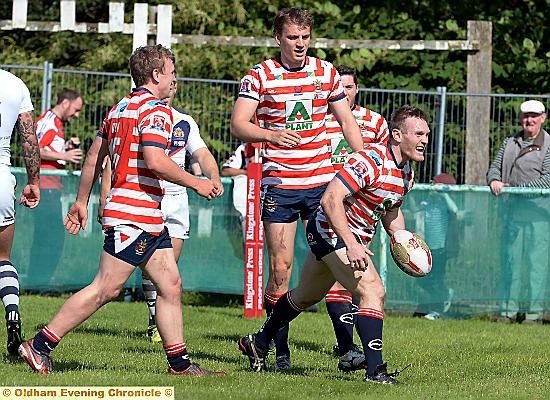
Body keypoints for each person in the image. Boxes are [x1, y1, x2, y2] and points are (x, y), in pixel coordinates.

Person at [17, 44, 225, 377]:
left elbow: (93, 157)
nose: (174, 79)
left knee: (170, 285)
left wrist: (81, 201)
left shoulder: (120, 108)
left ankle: (180, 365)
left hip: (144, 216)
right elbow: (156, 161)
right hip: (135, 215)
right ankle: (39, 345)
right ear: (156, 74)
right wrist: (196, 183)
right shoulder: (157, 111)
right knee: (105, 288)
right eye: (171, 72)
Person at [238, 105, 429, 384]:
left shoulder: (406, 174)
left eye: (427, 134)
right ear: (398, 135)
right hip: (330, 232)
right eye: (419, 133)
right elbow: (330, 199)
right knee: (373, 291)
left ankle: (259, 341)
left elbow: (390, 210)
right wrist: (350, 243)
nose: (425, 139)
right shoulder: (370, 160)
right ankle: (375, 371)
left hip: (347, 237)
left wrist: (402, 240)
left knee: (305, 295)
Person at [230, 7, 363, 371]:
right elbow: (238, 124)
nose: (300, 44)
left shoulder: (326, 72)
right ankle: (278, 352)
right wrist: (270, 134)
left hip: (322, 186)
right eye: (293, 37)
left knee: (337, 263)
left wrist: (367, 160)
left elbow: (347, 121)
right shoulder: (260, 75)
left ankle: (350, 348)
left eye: (305, 37)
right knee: (281, 269)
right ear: (278, 38)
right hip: (281, 186)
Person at [101, 80, 223, 343]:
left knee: (169, 268)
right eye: (170, 78)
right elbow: (110, 159)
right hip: (147, 196)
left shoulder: (183, 121)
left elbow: (202, 153)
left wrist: (213, 176)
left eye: (176, 82)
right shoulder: (139, 112)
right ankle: (155, 319)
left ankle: (173, 350)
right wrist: (103, 196)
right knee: (118, 282)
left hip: (176, 198)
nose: (172, 85)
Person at [324, 65, 389, 371]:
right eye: (341, 87)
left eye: (349, 87)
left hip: (362, 208)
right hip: (330, 204)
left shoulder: (375, 121)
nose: (345, 92)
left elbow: (387, 161)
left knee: (342, 282)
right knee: (344, 281)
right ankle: (349, 347)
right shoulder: (320, 118)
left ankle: (263, 338)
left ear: (357, 89)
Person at [487, 99, 550, 325]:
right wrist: (494, 179)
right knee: (511, 264)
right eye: (525, 116)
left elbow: (547, 180)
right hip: (511, 214)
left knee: (537, 266)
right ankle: (508, 312)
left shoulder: (549, 144)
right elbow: (494, 168)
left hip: (539, 216)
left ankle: (534, 315)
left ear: (543, 117)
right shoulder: (509, 142)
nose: (529, 120)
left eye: (534, 116)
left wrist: (514, 190)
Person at [0, 69, 41, 355]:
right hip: (1, 178)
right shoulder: (14, 84)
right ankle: (12, 313)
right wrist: (34, 181)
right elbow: (29, 138)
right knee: (2, 258)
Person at [29, 88, 84, 290]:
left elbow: (46, 148)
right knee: (49, 237)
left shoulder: (55, 123)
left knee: (48, 236)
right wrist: (65, 156)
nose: (76, 115)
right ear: (65, 103)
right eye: (75, 109)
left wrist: (64, 149)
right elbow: (34, 148)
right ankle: (39, 282)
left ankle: (39, 282)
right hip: (45, 188)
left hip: (51, 189)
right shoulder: (49, 121)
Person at [411, 173, 459, 320]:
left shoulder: (444, 203)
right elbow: (416, 210)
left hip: (440, 248)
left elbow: (455, 210)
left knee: (436, 279)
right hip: (427, 248)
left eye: (435, 184)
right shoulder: (428, 201)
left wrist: (443, 194)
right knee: (422, 279)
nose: (431, 186)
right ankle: (443, 295)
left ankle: (438, 309)